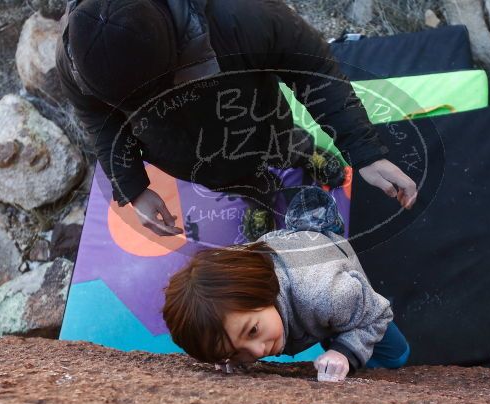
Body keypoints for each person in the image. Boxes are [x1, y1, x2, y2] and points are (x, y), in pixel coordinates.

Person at [56, 0, 418, 239]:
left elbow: (312, 69)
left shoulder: (237, 14)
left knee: (285, 144)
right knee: (235, 181)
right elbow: (98, 119)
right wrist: (132, 187)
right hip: (189, 157)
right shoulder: (76, 53)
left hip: (257, 118)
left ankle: (307, 156)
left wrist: (363, 151)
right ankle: (258, 197)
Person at [162, 188, 410, 382]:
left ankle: (342, 336)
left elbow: (378, 314)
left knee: (396, 356)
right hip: (300, 287)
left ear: (262, 291)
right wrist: (223, 352)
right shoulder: (238, 282)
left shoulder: (328, 293)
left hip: (343, 295)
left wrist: (344, 352)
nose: (257, 351)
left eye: (252, 331)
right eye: (237, 351)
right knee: (326, 327)